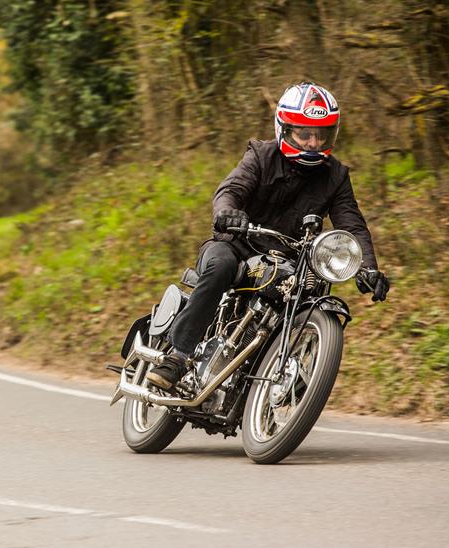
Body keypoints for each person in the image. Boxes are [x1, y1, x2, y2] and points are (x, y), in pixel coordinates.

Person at [146, 82, 391, 390]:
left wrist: (368, 267)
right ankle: (178, 357)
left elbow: (352, 224)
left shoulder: (336, 176)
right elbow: (230, 190)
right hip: (236, 244)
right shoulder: (261, 155)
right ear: (285, 129)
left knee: (310, 293)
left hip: (288, 261)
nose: (314, 142)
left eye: (322, 134)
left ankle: (285, 370)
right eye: (305, 133)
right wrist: (227, 212)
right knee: (220, 266)